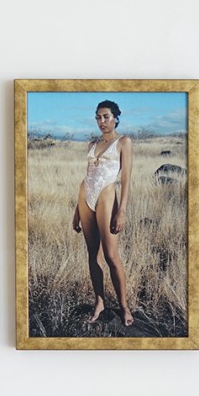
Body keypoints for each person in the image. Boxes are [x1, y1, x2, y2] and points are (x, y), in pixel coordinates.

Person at [70, 100, 134, 327]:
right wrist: (77, 210)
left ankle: (124, 306)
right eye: (98, 117)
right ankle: (99, 301)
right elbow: (87, 176)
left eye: (106, 116)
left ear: (115, 117)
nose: (101, 121)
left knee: (111, 256)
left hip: (107, 196)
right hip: (85, 197)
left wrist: (122, 210)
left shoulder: (123, 142)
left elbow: (125, 179)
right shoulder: (92, 143)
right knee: (92, 254)